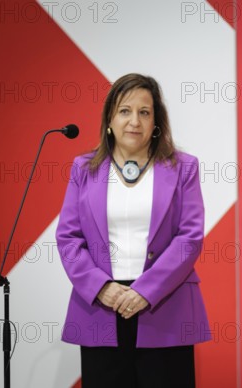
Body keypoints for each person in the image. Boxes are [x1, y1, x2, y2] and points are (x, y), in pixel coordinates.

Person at [56, 73, 210, 388]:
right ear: (109, 119)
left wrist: (145, 291)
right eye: (125, 111)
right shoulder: (84, 169)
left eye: (144, 112)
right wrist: (101, 288)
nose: (134, 121)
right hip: (102, 307)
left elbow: (189, 238)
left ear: (156, 121)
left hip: (165, 307)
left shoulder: (184, 168)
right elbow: (68, 238)